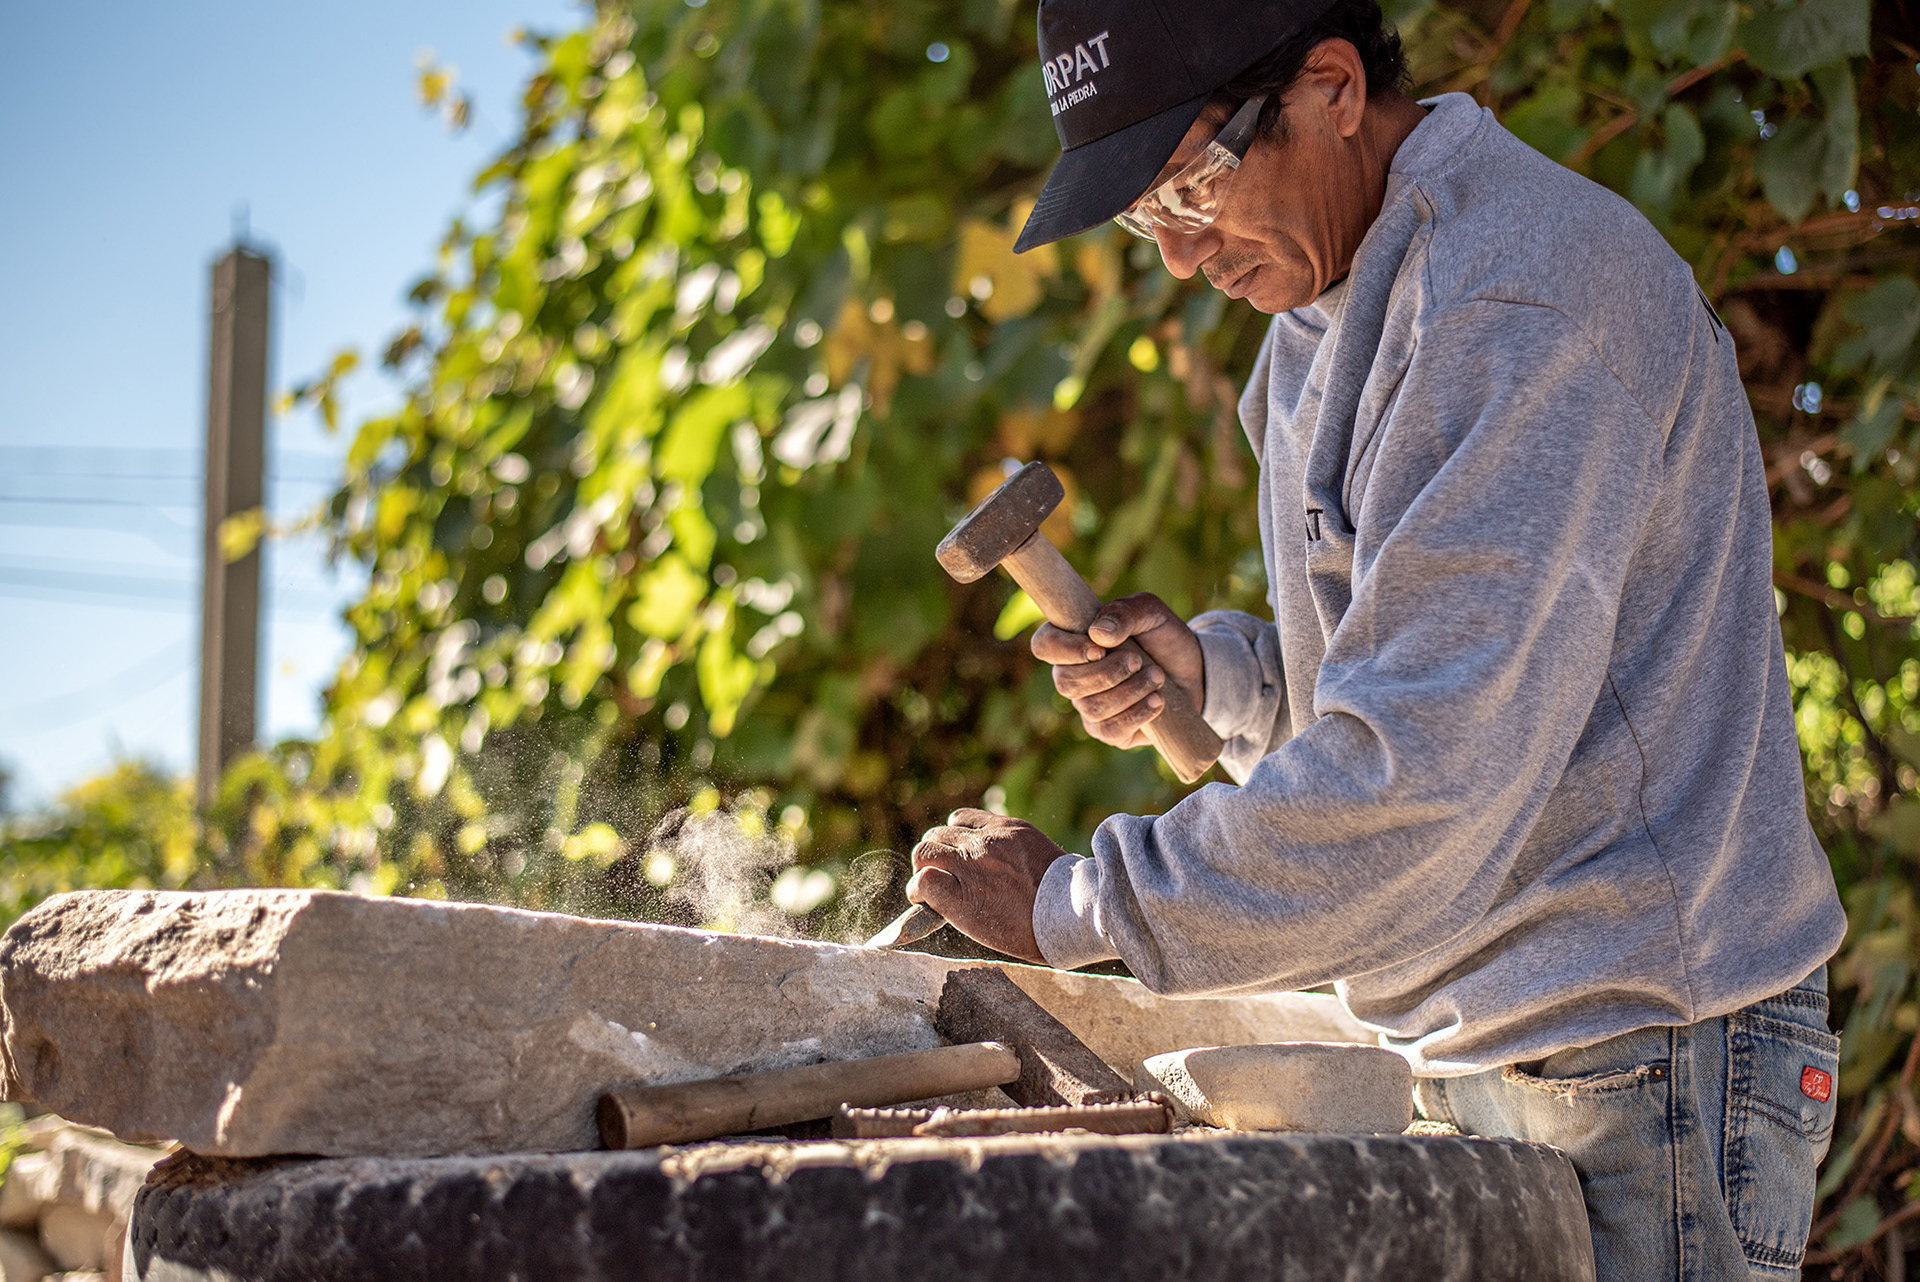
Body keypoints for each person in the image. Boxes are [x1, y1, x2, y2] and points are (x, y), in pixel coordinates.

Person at [902, 0, 1849, 1277]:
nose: (1182, 256)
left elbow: (1421, 779)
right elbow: (1429, 678)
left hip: (1644, 1053)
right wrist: (1228, 683)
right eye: (1145, 219)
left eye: (1190, 184)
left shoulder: (1513, 305)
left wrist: (1079, 901)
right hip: (1488, 1039)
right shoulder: (1324, 308)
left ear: (1333, 87)